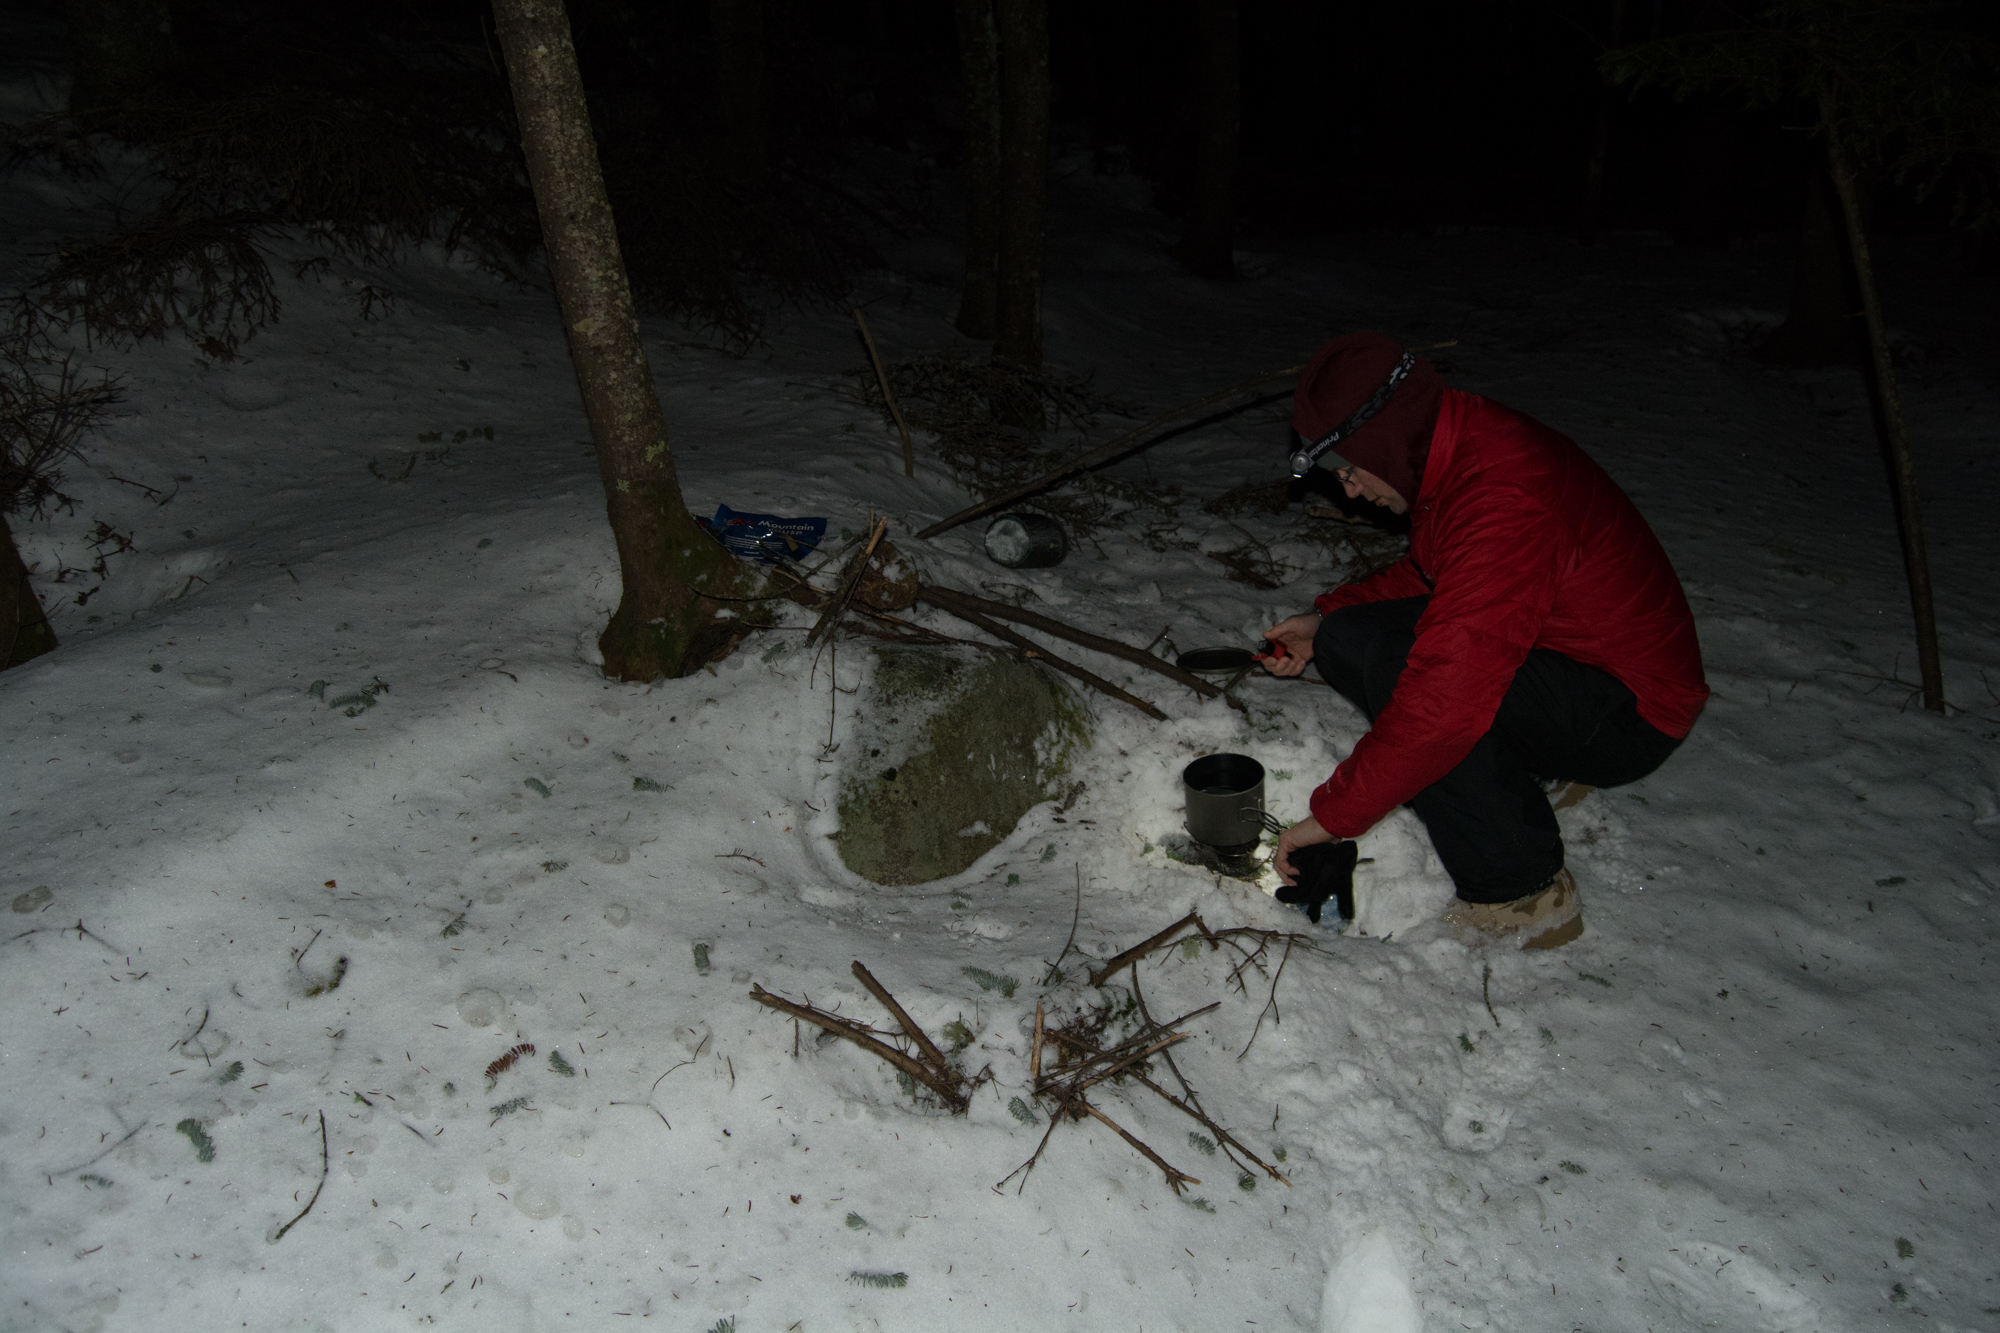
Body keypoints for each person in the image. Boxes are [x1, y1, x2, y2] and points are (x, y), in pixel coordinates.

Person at [1261, 332, 1708, 949]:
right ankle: (1514, 769)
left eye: (1347, 468)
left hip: (1628, 711)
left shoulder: (1504, 496)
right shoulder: (1457, 444)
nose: (1347, 490)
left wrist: (1332, 818)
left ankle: (1521, 892)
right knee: (1350, 636)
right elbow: (1437, 571)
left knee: (1418, 681)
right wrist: (1325, 617)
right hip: (1570, 661)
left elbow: (1442, 704)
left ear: (1386, 440)